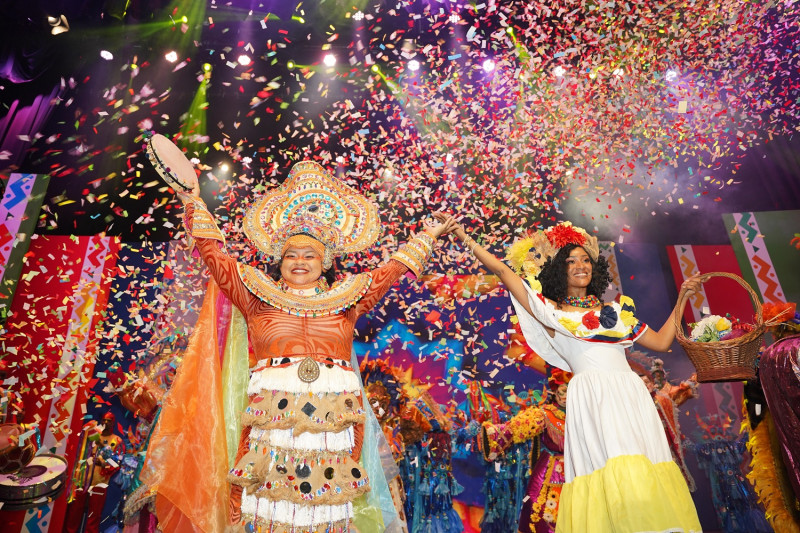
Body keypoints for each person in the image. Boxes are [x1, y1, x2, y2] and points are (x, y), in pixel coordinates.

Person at [146, 143, 457, 532]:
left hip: (335, 429)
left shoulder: (347, 298)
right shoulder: (255, 294)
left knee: (328, 511)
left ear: (324, 261)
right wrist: (191, 200)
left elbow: (389, 270)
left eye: (309, 255)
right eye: (291, 254)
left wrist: (428, 233)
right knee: (266, 509)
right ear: (280, 259)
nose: (299, 261)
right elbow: (214, 255)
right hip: (270, 429)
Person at [436, 214, 702, 533]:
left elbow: (661, 341)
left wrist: (684, 296)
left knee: (642, 462)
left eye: (585, 259)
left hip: (630, 396)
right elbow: (503, 271)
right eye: (571, 260)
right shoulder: (552, 315)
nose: (580, 265)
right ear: (559, 271)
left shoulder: (617, 313)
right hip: (592, 398)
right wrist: (464, 237)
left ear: (595, 268)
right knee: (611, 466)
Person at [480, 369, 570, 533]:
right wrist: (493, 435)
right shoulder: (543, 413)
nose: (565, 396)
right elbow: (514, 429)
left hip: (577, 472)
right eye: (563, 391)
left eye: (570, 391)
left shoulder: (581, 415)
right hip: (549, 473)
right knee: (542, 515)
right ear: (555, 391)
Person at [64, 411, 125, 533]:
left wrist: (103, 464)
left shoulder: (117, 440)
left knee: (94, 516)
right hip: (82, 480)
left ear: (113, 423)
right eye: (104, 420)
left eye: (109, 421)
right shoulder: (91, 434)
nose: (106, 423)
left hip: (100, 483)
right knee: (74, 512)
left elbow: (117, 463)